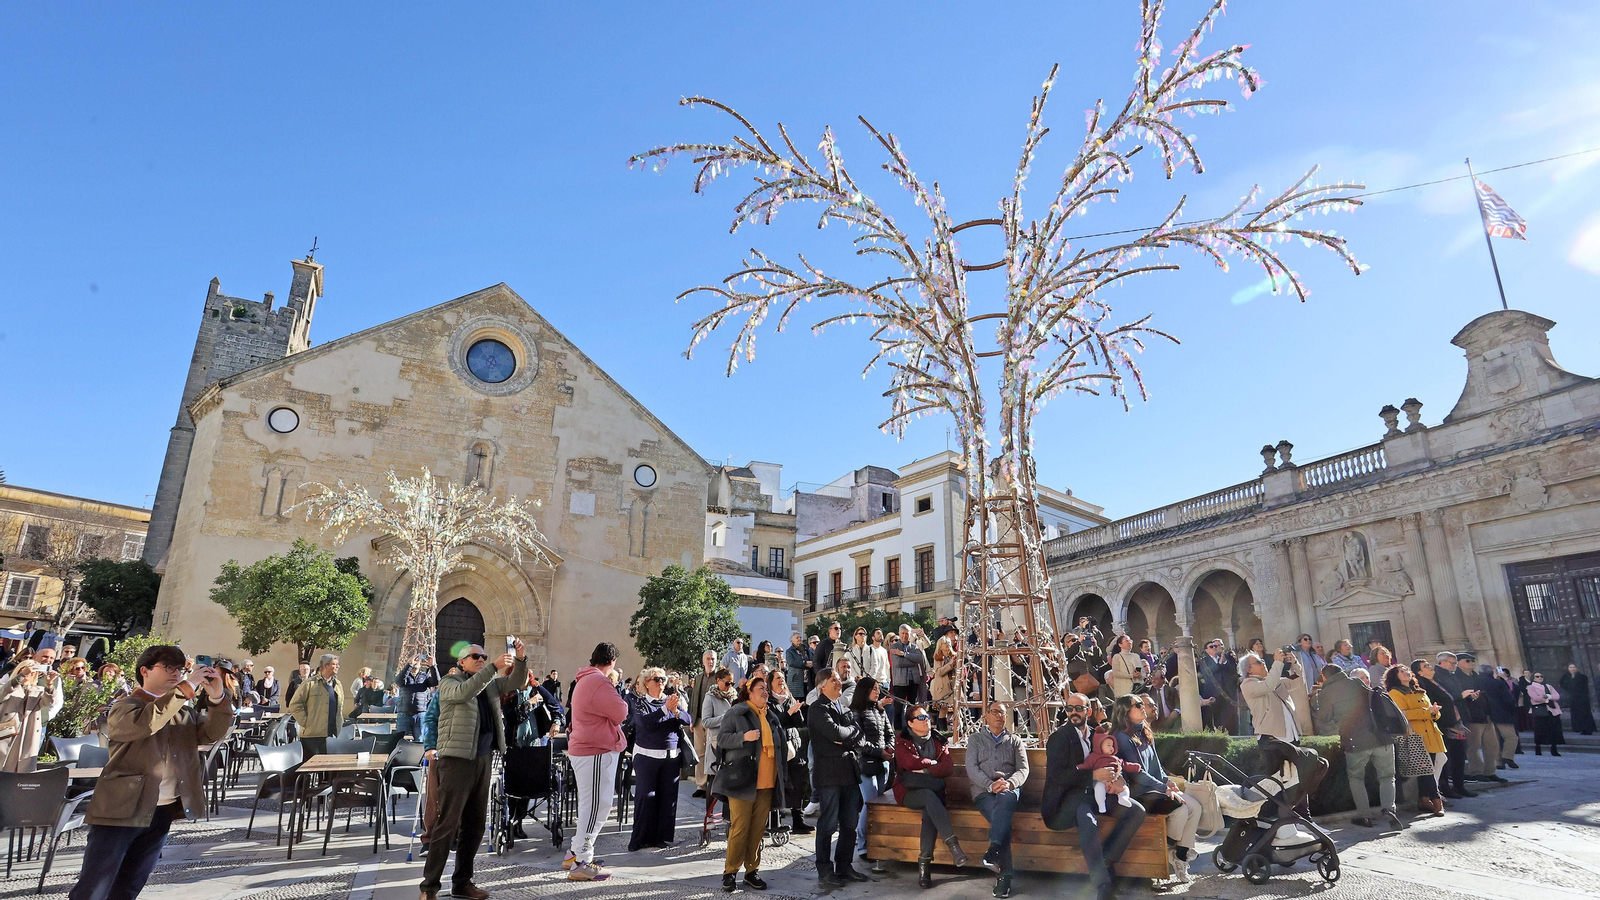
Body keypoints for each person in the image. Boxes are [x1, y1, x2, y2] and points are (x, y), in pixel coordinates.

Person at [66, 646, 232, 900]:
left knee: (131, 885)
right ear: (144, 671)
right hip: (121, 808)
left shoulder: (182, 710)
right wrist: (185, 689)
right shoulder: (126, 705)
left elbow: (211, 734)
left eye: (180, 669)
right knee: (94, 887)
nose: (176, 674)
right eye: (168, 668)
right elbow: (146, 723)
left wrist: (218, 697)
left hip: (162, 809)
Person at [418, 639, 525, 900]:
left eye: (483, 656)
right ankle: (429, 888)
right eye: (474, 656)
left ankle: (462, 883)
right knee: (447, 825)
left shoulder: (487, 685)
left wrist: (520, 659)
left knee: (475, 825)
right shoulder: (449, 683)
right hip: (456, 761)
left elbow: (515, 683)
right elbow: (465, 692)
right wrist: (493, 668)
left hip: (483, 759)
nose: (480, 659)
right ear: (461, 662)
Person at [1042, 692, 1148, 900]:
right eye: (1069, 709)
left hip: (1099, 793)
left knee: (1136, 810)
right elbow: (1057, 775)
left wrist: (1117, 779)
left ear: (1088, 712)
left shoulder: (1097, 735)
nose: (1073, 712)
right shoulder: (1059, 737)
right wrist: (1091, 775)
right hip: (1070, 798)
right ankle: (1103, 885)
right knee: (1088, 822)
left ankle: (1107, 860)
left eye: (1079, 708)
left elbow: (1113, 760)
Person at [714, 674, 789, 892]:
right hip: (742, 781)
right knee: (740, 828)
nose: (765, 692)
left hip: (766, 782)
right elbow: (722, 739)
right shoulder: (736, 712)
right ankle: (730, 873)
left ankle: (751, 871)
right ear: (749, 692)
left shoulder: (771, 717)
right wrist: (743, 737)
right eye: (760, 688)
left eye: (766, 688)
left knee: (757, 830)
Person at [566, 642, 630, 881]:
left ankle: (575, 853)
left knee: (592, 805)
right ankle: (582, 860)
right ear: (612, 662)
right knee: (596, 806)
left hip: (591, 750)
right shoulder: (598, 681)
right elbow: (621, 712)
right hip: (594, 751)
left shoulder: (586, 679)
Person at [893, 702, 968, 888]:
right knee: (929, 797)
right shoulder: (902, 740)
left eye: (927, 716)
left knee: (930, 805)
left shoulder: (938, 740)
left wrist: (926, 771)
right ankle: (954, 847)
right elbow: (908, 763)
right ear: (910, 723)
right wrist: (932, 763)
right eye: (920, 717)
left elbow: (948, 767)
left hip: (931, 792)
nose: (926, 720)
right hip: (908, 792)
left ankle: (924, 867)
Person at [1319, 664, 1400, 829]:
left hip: (1355, 739)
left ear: (1325, 677)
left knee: (1356, 778)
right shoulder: (1357, 683)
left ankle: (1364, 816)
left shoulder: (1326, 692)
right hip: (1380, 737)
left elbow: (1324, 718)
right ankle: (1389, 809)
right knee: (1387, 776)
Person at [806, 667, 867, 887]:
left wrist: (847, 735)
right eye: (834, 680)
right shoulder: (817, 708)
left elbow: (858, 735)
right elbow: (835, 734)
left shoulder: (843, 707)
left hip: (849, 773)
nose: (839, 682)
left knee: (849, 824)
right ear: (822, 685)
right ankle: (824, 870)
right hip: (829, 776)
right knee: (828, 824)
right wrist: (848, 734)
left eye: (839, 679)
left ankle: (844, 866)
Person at [967, 701, 1029, 898]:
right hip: (983, 791)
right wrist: (989, 784)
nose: (999, 716)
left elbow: (1023, 769)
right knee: (1002, 820)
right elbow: (971, 768)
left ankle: (994, 852)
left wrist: (1010, 784)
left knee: (1003, 804)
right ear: (986, 715)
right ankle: (1005, 875)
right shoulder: (976, 739)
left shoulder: (1015, 741)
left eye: (1002, 713)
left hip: (1009, 790)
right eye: (994, 712)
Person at [626, 667, 691, 851]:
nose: (661, 682)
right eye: (656, 679)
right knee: (645, 798)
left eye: (663, 679)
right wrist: (665, 710)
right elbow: (644, 723)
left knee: (667, 799)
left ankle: (662, 838)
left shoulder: (671, 701)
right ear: (646, 683)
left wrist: (677, 712)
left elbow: (688, 720)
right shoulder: (640, 702)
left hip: (670, 757)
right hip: (646, 757)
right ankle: (639, 839)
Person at [1387, 664, 1446, 816]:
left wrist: (1433, 712)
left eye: (1406, 670)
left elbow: (1431, 712)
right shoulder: (1395, 692)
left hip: (1431, 734)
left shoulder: (1420, 691)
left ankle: (1424, 799)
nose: (1406, 672)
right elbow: (1403, 713)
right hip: (1416, 737)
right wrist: (1427, 712)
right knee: (1428, 771)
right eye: (1401, 671)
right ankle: (1437, 801)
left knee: (1428, 769)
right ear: (1395, 676)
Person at [1412, 659, 1473, 798]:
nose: (1430, 667)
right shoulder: (1423, 685)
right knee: (1446, 758)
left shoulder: (1438, 682)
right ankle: (1445, 788)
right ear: (1420, 672)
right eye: (1426, 666)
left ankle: (1459, 785)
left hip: (1455, 722)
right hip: (1443, 725)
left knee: (1458, 755)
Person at [850, 676, 895, 862]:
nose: (878, 692)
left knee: (879, 804)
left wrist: (890, 748)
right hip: (866, 764)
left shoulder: (879, 710)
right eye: (874, 689)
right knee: (870, 805)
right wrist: (879, 752)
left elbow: (889, 732)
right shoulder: (856, 712)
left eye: (878, 688)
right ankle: (863, 845)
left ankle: (876, 843)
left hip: (883, 763)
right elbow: (858, 742)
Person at [767, 669, 812, 835]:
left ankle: (798, 820)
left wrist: (795, 708)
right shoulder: (769, 701)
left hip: (794, 745)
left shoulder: (789, 698)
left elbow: (799, 722)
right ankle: (776, 820)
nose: (781, 681)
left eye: (782, 678)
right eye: (778, 678)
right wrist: (789, 712)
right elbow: (776, 721)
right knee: (779, 784)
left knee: (798, 783)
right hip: (778, 747)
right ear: (770, 682)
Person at [0, 657, 63, 771]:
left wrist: (49, 685)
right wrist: (21, 676)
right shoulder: (8, 687)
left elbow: (50, 701)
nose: (28, 675)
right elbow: (3, 693)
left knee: (22, 771)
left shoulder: (38, 690)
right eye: (24, 671)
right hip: (7, 733)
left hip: (27, 733)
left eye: (31, 673)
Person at [287, 653, 345, 758]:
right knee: (309, 769)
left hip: (332, 734)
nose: (338, 666)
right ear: (326, 666)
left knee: (330, 770)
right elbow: (295, 705)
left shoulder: (337, 684)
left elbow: (339, 707)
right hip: (312, 735)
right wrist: (307, 722)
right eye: (334, 664)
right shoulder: (310, 684)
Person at [1239, 650, 1299, 742]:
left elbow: (1297, 682)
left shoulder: (1272, 680)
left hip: (1291, 734)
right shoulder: (1247, 684)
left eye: (1263, 660)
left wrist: (1294, 663)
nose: (1263, 663)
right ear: (1248, 670)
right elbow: (1269, 686)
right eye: (1258, 662)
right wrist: (1278, 662)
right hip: (1271, 736)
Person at [1477, 662, 1519, 771]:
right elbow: (1507, 698)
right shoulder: (1498, 683)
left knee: (1494, 739)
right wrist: (1512, 709)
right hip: (1501, 713)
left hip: (1484, 713)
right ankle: (1507, 757)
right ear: (1492, 671)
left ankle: (1499, 762)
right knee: (1511, 737)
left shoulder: (1476, 682)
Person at [690, 650, 720, 797]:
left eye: (713, 659)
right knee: (699, 753)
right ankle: (700, 785)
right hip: (698, 720)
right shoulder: (698, 678)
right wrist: (692, 719)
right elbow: (694, 699)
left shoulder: (719, 678)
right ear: (703, 661)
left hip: (713, 720)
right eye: (708, 659)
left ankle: (711, 785)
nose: (710, 662)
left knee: (711, 753)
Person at [396, 655, 440, 742]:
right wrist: (409, 665)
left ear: (420, 665)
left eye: (418, 661)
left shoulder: (424, 676)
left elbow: (436, 681)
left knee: (419, 740)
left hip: (420, 714)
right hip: (404, 713)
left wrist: (433, 666)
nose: (416, 663)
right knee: (400, 740)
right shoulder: (405, 675)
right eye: (414, 661)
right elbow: (399, 681)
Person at [1527, 672, 1563, 756]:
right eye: (1537, 676)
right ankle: (1538, 747)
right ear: (1533, 678)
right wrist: (1546, 698)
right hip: (1540, 711)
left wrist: (1549, 696)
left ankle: (1554, 748)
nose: (1539, 678)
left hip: (1552, 710)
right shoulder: (1530, 687)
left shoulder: (1548, 686)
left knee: (1554, 730)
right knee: (1540, 730)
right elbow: (1535, 698)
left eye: (1541, 676)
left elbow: (1557, 696)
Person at [1559, 663, 1595, 735]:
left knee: (1584, 713)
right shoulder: (1566, 677)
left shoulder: (1582, 677)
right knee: (1576, 714)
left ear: (1577, 668)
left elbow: (1583, 687)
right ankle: (1579, 728)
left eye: (1574, 667)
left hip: (1582, 698)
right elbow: (1563, 684)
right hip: (1573, 699)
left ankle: (1587, 729)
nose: (1572, 669)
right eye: (1570, 667)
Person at [1107, 634, 1141, 700]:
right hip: (1123, 691)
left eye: (1130, 640)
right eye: (1127, 641)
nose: (1130, 642)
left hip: (1136, 688)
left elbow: (1141, 671)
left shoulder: (1136, 656)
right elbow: (1116, 673)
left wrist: (1139, 674)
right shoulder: (1117, 657)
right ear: (1120, 644)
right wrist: (1131, 675)